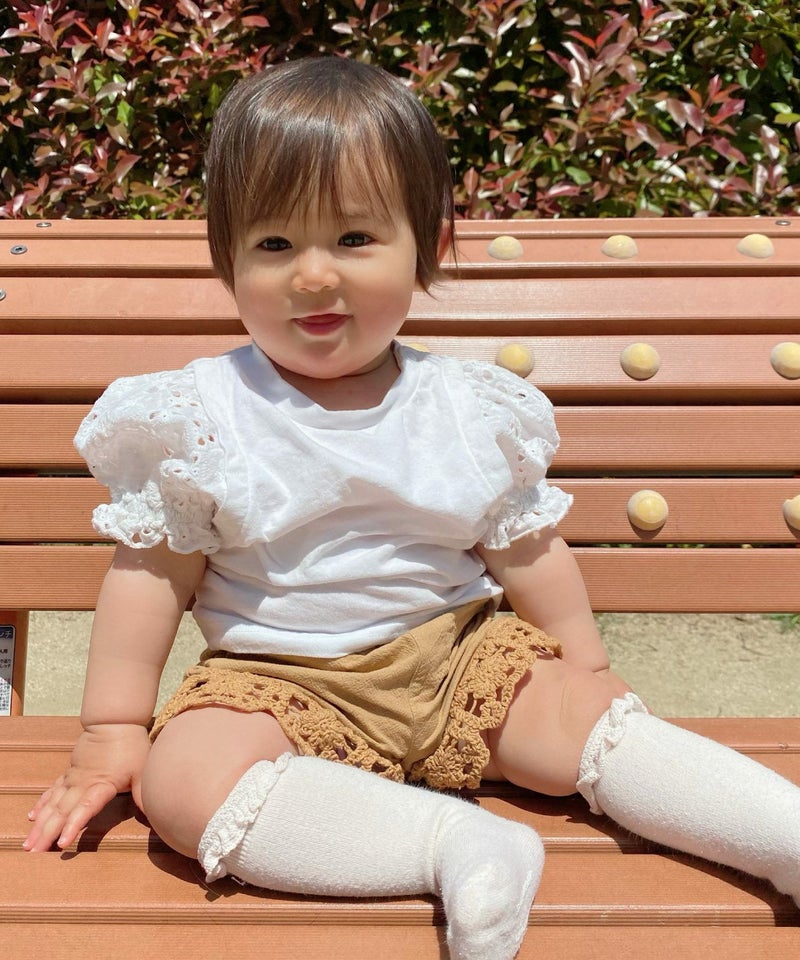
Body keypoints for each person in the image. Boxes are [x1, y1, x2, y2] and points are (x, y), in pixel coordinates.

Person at [24, 57, 799, 960]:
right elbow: (150, 578)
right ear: (225, 257)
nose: (314, 275)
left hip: (462, 658)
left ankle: (781, 835)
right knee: (182, 783)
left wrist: (585, 664)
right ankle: (458, 847)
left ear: (426, 245)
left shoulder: (467, 408)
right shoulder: (196, 416)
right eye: (274, 244)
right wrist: (113, 731)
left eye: (355, 237)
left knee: (590, 725)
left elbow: (526, 548)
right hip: (274, 683)